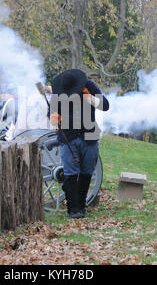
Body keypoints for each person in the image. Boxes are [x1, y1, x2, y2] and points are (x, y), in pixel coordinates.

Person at [49, 69, 109, 219]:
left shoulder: (89, 85)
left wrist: (91, 99)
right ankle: (73, 209)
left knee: (87, 172)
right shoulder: (59, 89)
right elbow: (51, 113)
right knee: (70, 173)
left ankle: (82, 205)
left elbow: (105, 105)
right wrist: (54, 117)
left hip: (89, 136)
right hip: (68, 137)